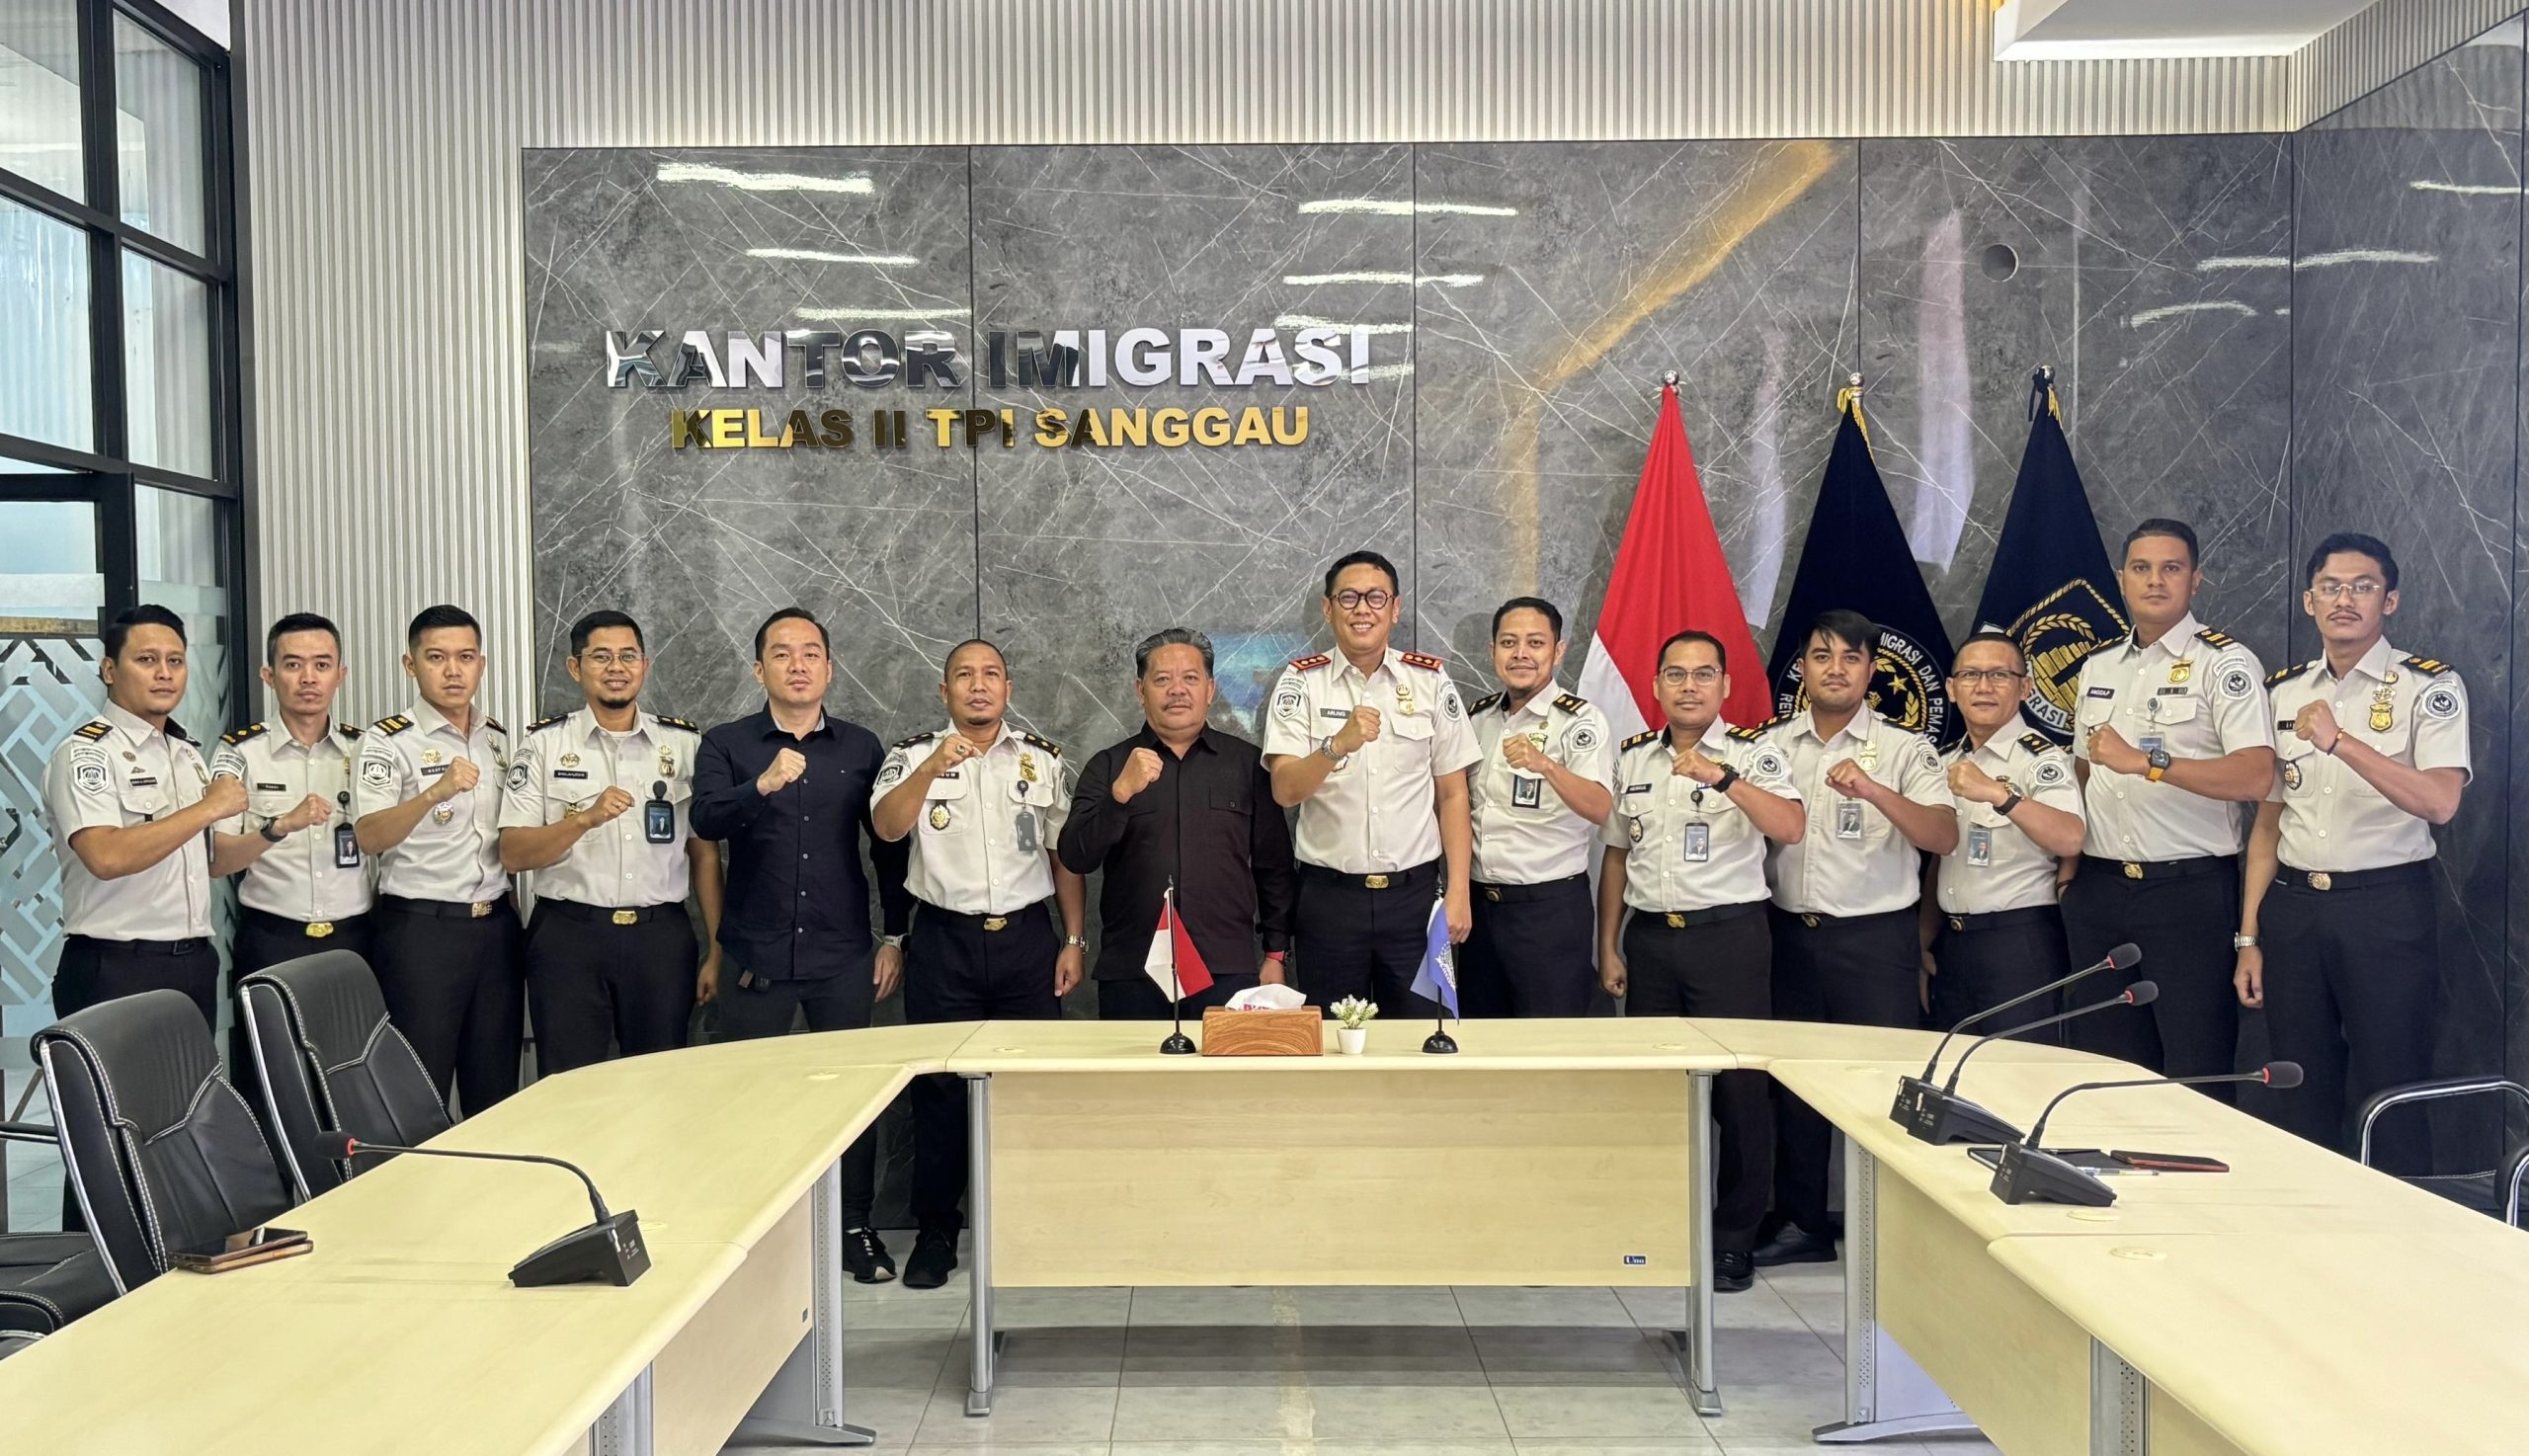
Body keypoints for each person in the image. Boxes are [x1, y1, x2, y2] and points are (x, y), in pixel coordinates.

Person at [693, 607, 912, 1284]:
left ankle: (854, 1227)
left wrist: (894, 936)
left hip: (841, 953)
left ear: (829, 669)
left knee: (850, 1101)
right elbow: (704, 819)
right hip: (754, 955)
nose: (797, 665)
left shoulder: (861, 748)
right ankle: (754, 1235)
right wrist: (760, 785)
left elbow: (888, 850)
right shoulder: (728, 743)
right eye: (782, 654)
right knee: (749, 1099)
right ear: (759, 669)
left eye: (811, 653)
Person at [2238, 533, 2467, 1173]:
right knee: (2297, 1080)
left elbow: (2440, 802)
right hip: (2294, 908)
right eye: (2331, 587)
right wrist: (2249, 936)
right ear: (2308, 600)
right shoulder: (2282, 692)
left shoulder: (2429, 685)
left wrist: (2342, 743)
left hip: (2384, 907)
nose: (2345, 599)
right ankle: (2307, 1219)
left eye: (2363, 587)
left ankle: (2401, 1222)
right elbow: (2267, 826)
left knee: (2393, 1083)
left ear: (2389, 600)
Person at [872, 639, 1086, 1290]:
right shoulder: (913, 755)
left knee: (1032, 1088)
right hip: (945, 942)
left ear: (1008, 689)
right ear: (945, 692)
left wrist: (1074, 939)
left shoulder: (1041, 760)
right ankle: (938, 1231)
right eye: (963, 675)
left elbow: (1063, 855)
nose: (978, 685)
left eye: (991, 674)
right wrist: (933, 767)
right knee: (939, 1091)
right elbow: (886, 828)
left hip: (1026, 940)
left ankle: (1033, 1224)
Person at [1597, 629, 1804, 1292]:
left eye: (1703, 674)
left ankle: (1734, 1239)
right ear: (1656, 685)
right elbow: (1617, 855)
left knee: (1741, 1097)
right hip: (1652, 941)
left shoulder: (1752, 753)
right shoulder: (1634, 757)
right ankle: (1660, 1228)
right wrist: (1608, 944)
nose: (1689, 687)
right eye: (1677, 675)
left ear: (1725, 685)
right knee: (1655, 1092)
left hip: (1729, 940)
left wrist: (1724, 778)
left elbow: (1790, 826)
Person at [1754, 609, 1956, 1268]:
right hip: (1790, 935)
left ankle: (1892, 1229)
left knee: (1884, 1086)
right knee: (1795, 1086)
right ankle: (1802, 1222)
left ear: (1871, 670)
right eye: (1822, 656)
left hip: (1874, 941)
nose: (1835, 669)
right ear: (1802, 668)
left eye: (1850, 657)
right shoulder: (1770, 746)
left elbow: (1943, 836)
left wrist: (1872, 789)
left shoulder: (1905, 750)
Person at [2064, 519, 2275, 1091]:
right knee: (2105, 1068)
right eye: (2141, 568)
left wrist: (2150, 763)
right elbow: (2083, 770)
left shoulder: (2225, 664)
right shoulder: (2099, 665)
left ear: (2195, 580)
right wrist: (2069, 872)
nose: (2155, 581)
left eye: (2171, 568)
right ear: (2122, 579)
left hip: (2187, 893)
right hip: (2100, 888)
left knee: (2195, 1068)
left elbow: (2256, 775)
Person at [499, 610, 719, 1077]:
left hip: (660, 939)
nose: (616, 667)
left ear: (645, 664)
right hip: (569, 938)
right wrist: (584, 819)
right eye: (601, 657)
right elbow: (513, 853)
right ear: (575, 667)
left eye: (628, 656)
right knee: (568, 1083)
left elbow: (704, 854)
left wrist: (718, 948)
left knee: (661, 1080)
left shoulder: (685, 745)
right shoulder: (543, 745)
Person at [1261, 550, 1481, 1013]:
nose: (1362, 609)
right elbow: (1284, 790)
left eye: (1376, 597)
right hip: (1330, 901)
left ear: (1395, 609)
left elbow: (1453, 793)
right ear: (1328, 608)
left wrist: (1458, 891)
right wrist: (1336, 745)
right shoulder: (1301, 683)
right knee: (1334, 1037)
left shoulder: (1430, 680)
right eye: (1349, 598)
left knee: (1423, 1032)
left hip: (1414, 900)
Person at [1057, 627, 1296, 1019]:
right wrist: (1120, 795)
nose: (1177, 690)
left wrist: (1275, 953)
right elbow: (1075, 856)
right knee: (1132, 1064)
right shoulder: (1110, 766)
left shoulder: (1247, 765)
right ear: (1140, 690)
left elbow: (1275, 868)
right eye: (1162, 679)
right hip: (1133, 970)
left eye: (1190, 678)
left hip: (1225, 967)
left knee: (1221, 1064)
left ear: (1210, 689)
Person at [353, 605, 522, 1115]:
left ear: (481, 664)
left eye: (465, 657)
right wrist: (434, 792)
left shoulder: (497, 738)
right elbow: (369, 836)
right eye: (436, 657)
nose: (453, 671)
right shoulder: (387, 740)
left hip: (495, 929)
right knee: (420, 1092)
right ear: (411, 665)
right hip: (422, 933)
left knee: (495, 1089)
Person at [208, 612, 374, 1096]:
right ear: (269, 674)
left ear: (341, 674)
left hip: (354, 940)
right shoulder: (240, 753)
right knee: (271, 1086)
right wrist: (276, 828)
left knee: (353, 1080)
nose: (308, 678)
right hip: (272, 941)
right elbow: (218, 860)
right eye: (293, 664)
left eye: (321, 665)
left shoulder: (366, 750)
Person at [45, 604, 232, 1030]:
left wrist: (278, 829)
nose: (164, 673)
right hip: (116, 967)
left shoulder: (186, 753)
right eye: (147, 660)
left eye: (175, 661)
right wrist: (209, 807)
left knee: (195, 1077)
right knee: (115, 1079)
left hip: (193, 961)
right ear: (109, 670)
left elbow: (211, 859)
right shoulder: (87, 753)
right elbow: (105, 856)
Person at [1920, 632, 2085, 1034]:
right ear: (1951, 689)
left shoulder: (2041, 760)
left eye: (1999, 675)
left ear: (2025, 688)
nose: (1983, 687)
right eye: (1970, 675)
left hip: (2019, 943)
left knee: (2018, 1065)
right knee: (1954, 1065)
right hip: (1953, 942)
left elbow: (2070, 838)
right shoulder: (1944, 761)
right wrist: (1922, 942)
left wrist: (1999, 794)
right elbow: (1941, 859)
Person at [1464, 598, 1614, 1016]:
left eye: (1535, 642)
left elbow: (1601, 807)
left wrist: (1545, 764)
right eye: (1508, 643)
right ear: (1492, 650)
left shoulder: (1580, 721)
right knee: (1481, 1034)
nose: (1521, 654)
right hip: (1480, 908)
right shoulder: (1477, 719)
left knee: (1549, 1038)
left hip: (1548, 910)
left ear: (1558, 650)